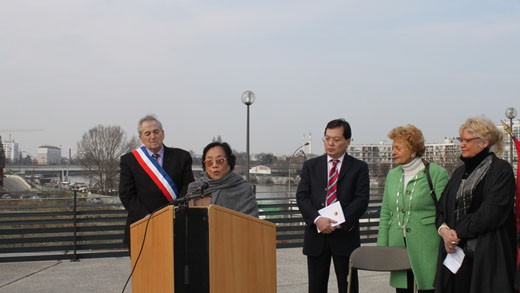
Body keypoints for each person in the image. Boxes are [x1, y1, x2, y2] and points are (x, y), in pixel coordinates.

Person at [435, 116, 516, 293]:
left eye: (467, 140)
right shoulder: (459, 172)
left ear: (484, 142)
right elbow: (442, 208)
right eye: (460, 139)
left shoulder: (501, 170)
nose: (462, 144)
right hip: (454, 254)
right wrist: (444, 231)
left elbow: (492, 213)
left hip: (486, 255)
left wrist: (456, 233)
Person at [296, 118, 370, 293]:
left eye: (336, 139)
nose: (330, 143)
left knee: (348, 287)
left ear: (348, 141)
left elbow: (361, 200)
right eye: (327, 138)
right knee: (316, 287)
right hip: (316, 235)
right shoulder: (310, 166)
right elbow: (302, 196)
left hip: (345, 236)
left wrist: (337, 221)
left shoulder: (359, 168)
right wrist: (318, 219)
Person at [377, 125, 449, 293]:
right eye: (392, 147)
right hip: (397, 245)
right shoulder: (392, 175)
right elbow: (386, 212)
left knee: (427, 287)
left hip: (427, 247)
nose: (393, 152)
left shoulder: (437, 173)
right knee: (403, 289)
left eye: (398, 148)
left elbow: (445, 211)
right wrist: (382, 246)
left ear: (413, 149)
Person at [119, 114, 194, 247]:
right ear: (140, 138)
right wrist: (146, 217)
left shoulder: (182, 157)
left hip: (175, 223)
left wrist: (176, 212)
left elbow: (188, 187)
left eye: (156, 132)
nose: (152, 137)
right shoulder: (129, 161)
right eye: (147, 133)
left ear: (163, 134)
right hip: (142, 224)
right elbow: (126, 194)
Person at [188, 142, 258, 217]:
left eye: (220, 161)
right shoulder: (195, 189)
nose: (214, 165)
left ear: (229, 162)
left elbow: (252, 222)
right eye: (209, 162)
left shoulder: (243, 189)